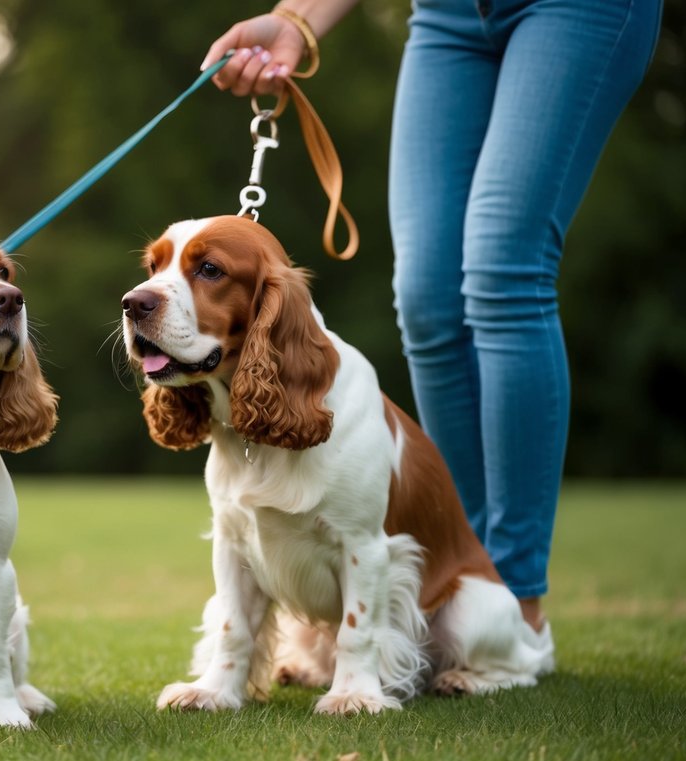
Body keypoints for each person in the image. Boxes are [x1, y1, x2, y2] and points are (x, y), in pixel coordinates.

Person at [202, 0, 662, 635]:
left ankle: (513, 600)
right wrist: (296, 19)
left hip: (574, 8)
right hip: (448, 14)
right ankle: (446, 584)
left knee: (502, 271)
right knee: (427, 299)